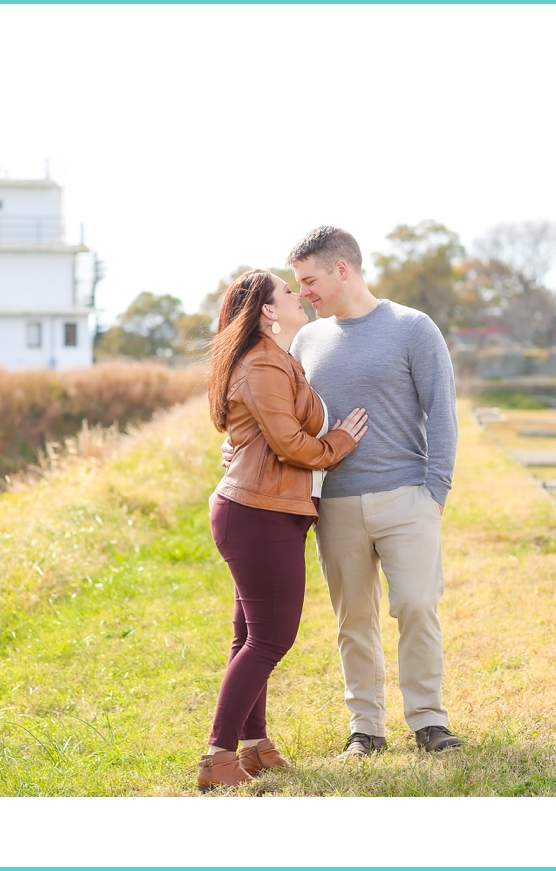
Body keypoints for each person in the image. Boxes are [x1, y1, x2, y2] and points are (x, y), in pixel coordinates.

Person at [224, 226, 462, 756]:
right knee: (353, 618)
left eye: (308, 280)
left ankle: (429, 721)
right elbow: (277, 411)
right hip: (332, 503)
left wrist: (435, 491)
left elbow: (442, 413)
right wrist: (240, 447)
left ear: (342, 270)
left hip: (407, 495)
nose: (302, 291)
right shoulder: (306, 340)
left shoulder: (413, 328)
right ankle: (366, 729)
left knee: (418, 606)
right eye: (295, 284)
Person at [198, 268, 369, 790]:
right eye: (289, 291)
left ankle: (253, 746)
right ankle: (217, 756)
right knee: (271, 638)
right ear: (269, 310)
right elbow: (289, 443)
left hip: (264, 508)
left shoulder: (276, 359)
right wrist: (339, 441)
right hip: (258, 512)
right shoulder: (264, 364)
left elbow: (259, 435)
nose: (298, 295)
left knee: (250, 635)